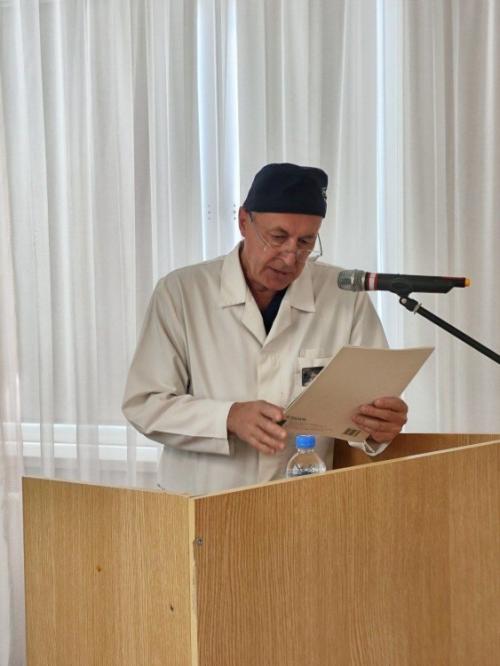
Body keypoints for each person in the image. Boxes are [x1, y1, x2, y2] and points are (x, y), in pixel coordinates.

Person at [122, 163, 408, 494]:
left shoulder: (345, 296)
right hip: (201, 501)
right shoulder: (182, 292)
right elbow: (146, 404)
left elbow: (369, 408)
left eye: (305, 242)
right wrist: (228, 417)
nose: (290, 257)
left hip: (301, 501)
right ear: (244, 221)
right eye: (278, 237)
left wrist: (380, 426)